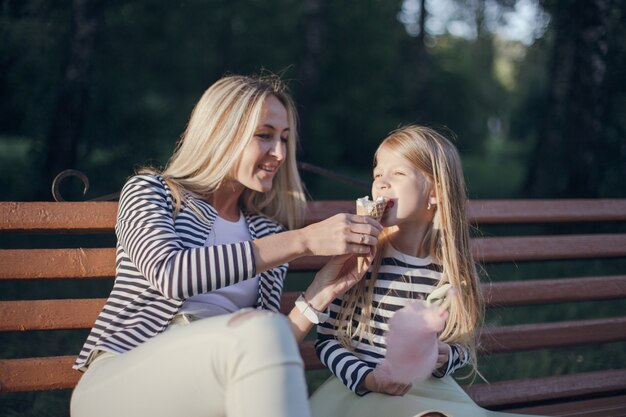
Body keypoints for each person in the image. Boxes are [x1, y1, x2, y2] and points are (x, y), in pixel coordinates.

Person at [70, 74, 382, 417]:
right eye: (264, 135)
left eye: (285, 139)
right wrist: (303, 240)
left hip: (206, 389)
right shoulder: (153, 192)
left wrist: (322, 291)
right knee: (260, 330)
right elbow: (170, 273)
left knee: (265, 333)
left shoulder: (265, 230)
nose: (279, 153)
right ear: (220, 133)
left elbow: (270, 351)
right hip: (124, 379)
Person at [310, 125, 545, 417]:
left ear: (434, 193)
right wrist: (369, 379)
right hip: (363, 393)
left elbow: (461, 343)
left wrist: (447, 356)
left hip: (431, 392)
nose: (382, 183)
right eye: (377, 175)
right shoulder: (360, 260)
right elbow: (327, 339)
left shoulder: (448, 271)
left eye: (397, 174)